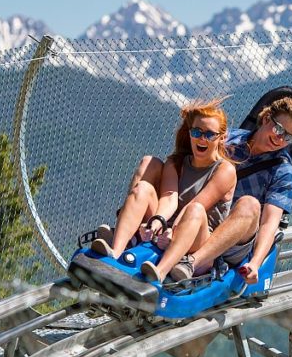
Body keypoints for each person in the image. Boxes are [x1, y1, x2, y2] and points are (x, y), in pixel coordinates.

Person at [166, 94, 292, 284]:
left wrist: (256, 263)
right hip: (201, 216)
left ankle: (194, 262)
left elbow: (269, 223)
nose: (279, 139)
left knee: (249, 204)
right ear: (267, 118)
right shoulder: (229, 138)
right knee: (153, 165)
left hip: (234, 236)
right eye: (278, 129)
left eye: (287, 138)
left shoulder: (283, 171)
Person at [91, 98, 237, 283]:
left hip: (198, 239)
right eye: (196, 132)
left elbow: (197, 204)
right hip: (169, 230)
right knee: (143, 188)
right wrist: (156, 222)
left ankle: (160, 272)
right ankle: (115, 252)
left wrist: (173, 232)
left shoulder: (225, 170)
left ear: (221, 138)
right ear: (189, 133)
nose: (202, 138)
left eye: (209, 134)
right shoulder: (175, 163)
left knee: (195, 210)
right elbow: (169, 200)